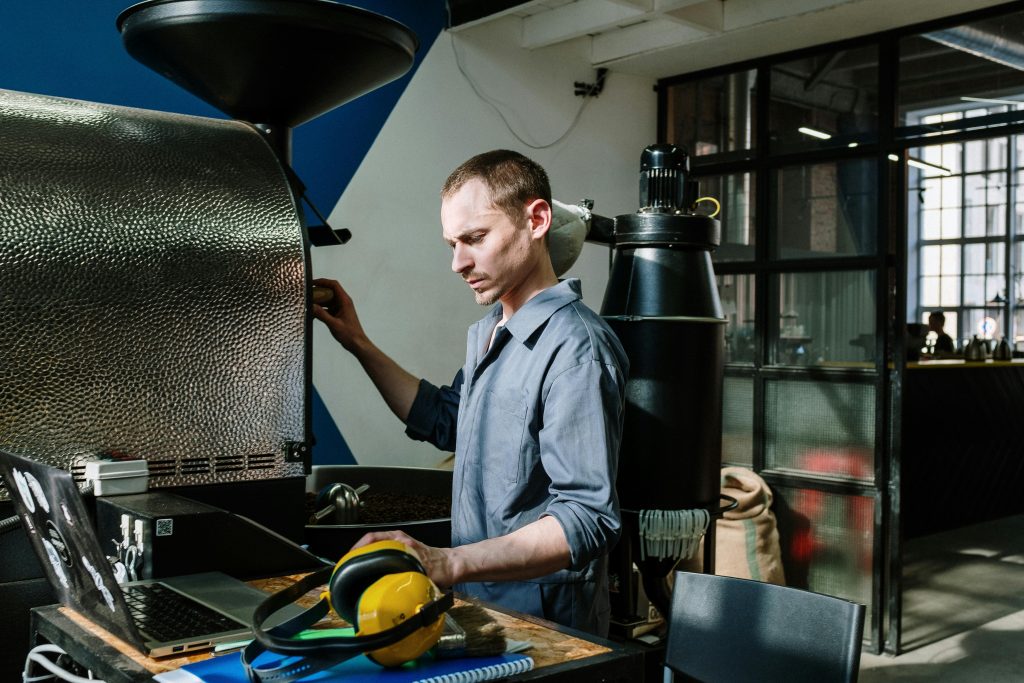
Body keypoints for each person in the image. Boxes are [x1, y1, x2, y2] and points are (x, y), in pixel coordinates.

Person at [312, 150, 628, 636]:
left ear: (537, 219)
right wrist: (356, 342)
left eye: (475, 238)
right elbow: (447, 421)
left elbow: (587, 517)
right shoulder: (487, 333)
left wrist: (447, 562)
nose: (458, 262)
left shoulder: (576, 348)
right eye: (452, 243)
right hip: (479, 608)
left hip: (547, 627)